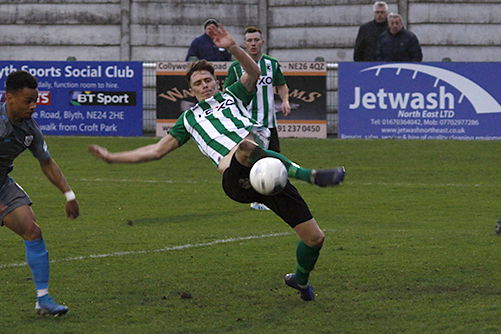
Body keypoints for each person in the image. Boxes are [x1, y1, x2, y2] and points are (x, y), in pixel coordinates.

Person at [89, 23, 345, 301]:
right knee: (247, 146)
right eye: (198, 83)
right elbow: (156, 151)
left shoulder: (232, 96)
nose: (204, 86)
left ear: (216, 82)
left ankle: (300, 280)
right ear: (192, 90)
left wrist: (233, 47)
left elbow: (254, 72)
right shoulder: (188, 120)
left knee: (314, 238)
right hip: (236, 180)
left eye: (207, 80)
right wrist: (113, 158)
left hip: (266, 169)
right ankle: (309, 174)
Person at [0, 70, 80, 316]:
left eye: (36, 100)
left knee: (32, 231)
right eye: (28, 101)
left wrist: (69, 194)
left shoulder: (29, 129)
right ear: (9, 98)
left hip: (2, 183)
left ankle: (43, 300)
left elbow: (46, 162)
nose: (34, 106)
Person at [224, 26, 291, 211]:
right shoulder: (236, 67)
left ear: (262, 42)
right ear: (245, 44)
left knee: (276, 161)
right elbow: (228, 94)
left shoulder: (271, 64)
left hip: (269, 122)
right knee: (253, 161)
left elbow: (282, 85)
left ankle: (275, 195)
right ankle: (256, 198)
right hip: (249, 125)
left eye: (256, 40)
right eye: (249, 41)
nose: (253, 44)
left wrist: (285, 100)